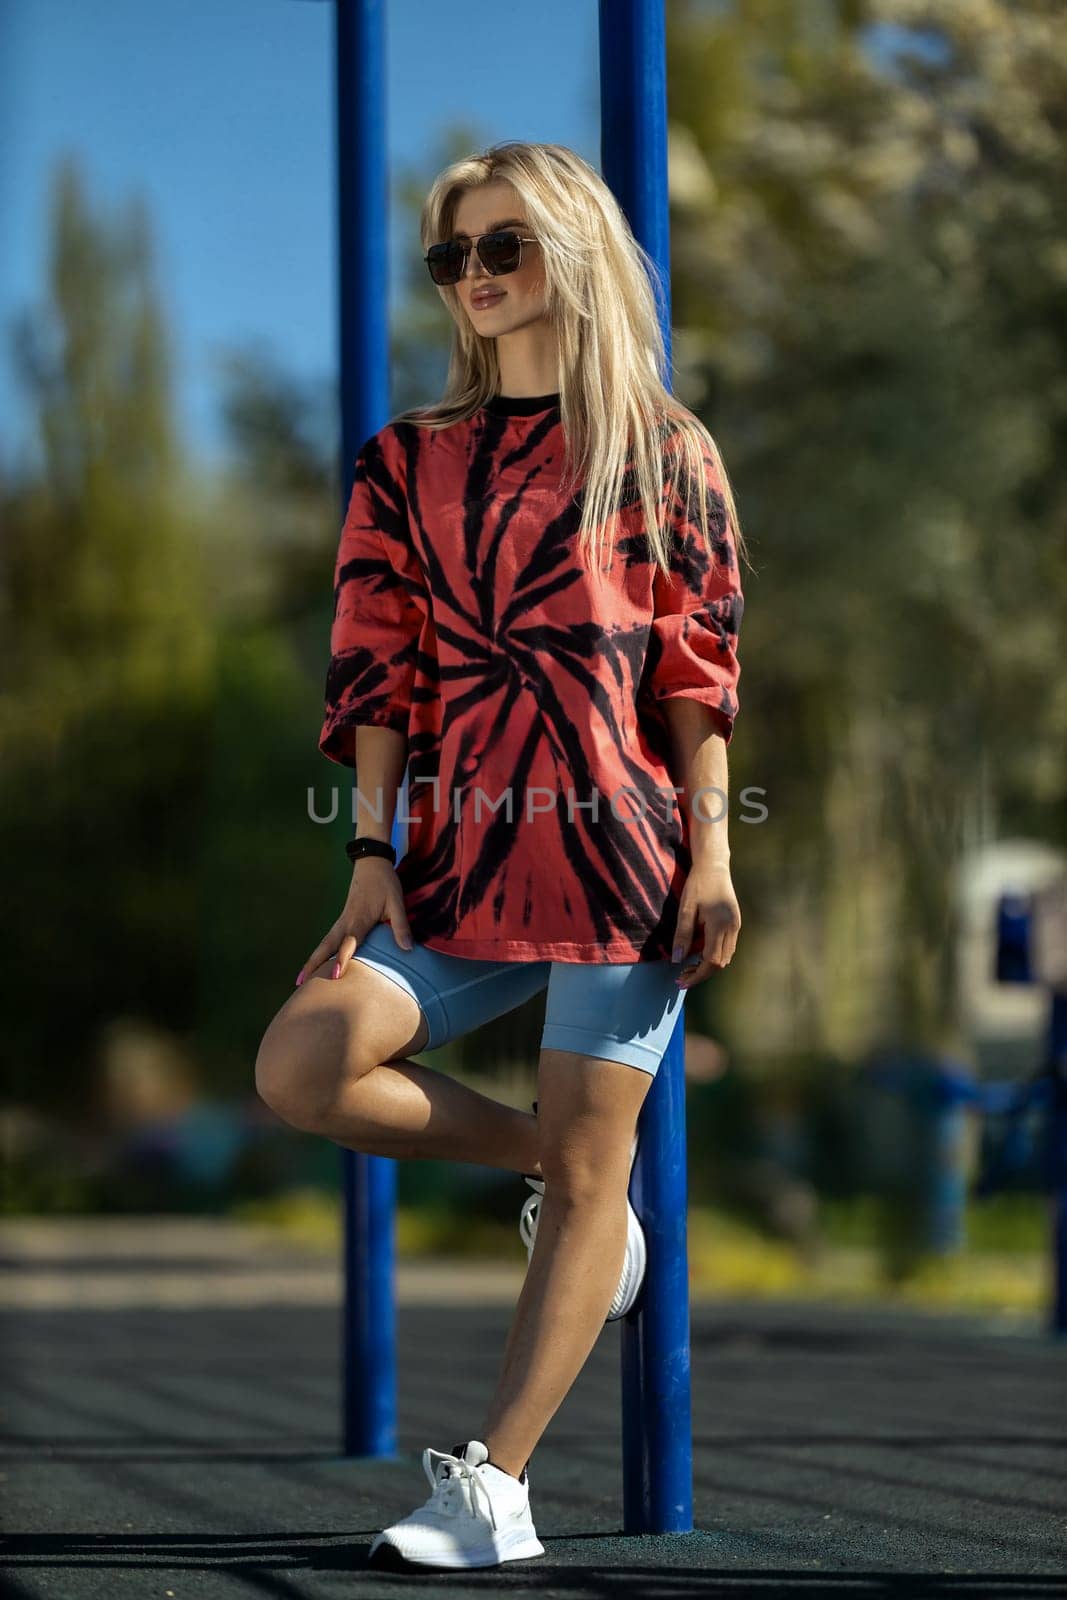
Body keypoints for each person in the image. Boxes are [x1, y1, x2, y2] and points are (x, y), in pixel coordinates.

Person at [255, 139, 748, 1572]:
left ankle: (498, 1489)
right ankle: (573, 1183)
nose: (473, 279)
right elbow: (377, 668)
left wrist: (714, 857)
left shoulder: (665, 448)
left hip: (627, 864)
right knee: (305, 1063)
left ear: (573, 255)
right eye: (453, 256)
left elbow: (696, 676)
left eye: (503, 248)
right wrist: (367, 853)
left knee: (602, 1174)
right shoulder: (405, 462)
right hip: (456, 865)